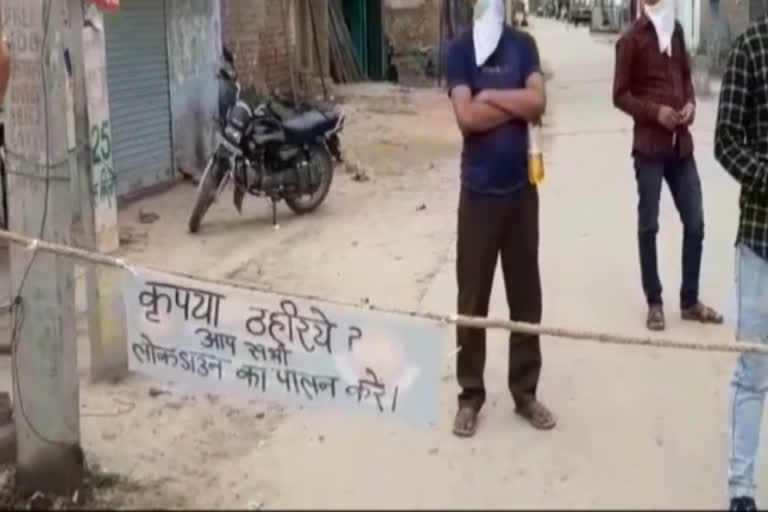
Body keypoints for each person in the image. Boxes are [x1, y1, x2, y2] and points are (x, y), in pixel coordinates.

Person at [444, 0, 556, 438]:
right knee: (472, 298)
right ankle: (470, 395)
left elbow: (539, 100)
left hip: (521, 192)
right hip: (478, 193)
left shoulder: (522, 45)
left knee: (526, 295)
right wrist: (516, 103)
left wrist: (490, 95)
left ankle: (525, 392)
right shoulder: (459, 50)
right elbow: (466, 118)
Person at [612, 0, 722, 332]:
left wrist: (689, 103)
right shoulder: (630, 39)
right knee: (649, 225)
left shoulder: (675, 30)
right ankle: (655, 302)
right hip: (649, 147)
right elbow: (619, 95)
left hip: (680, 147)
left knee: (696, 222)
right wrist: (654, 112)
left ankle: (689, 300)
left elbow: (686, 77)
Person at [714, 17, 768, 512]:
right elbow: (725, 141)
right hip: (761, 240)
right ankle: (742, 490)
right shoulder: (751, 48)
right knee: (754, 371)